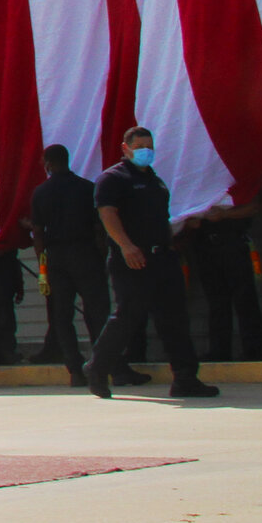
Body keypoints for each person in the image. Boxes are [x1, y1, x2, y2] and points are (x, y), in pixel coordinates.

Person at [89, 126, 219, 399]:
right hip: (133, 258)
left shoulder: (155, 181)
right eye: (139, 148)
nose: (146, 152)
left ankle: (185, 378)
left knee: (174, 319)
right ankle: (98, 369)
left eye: (149, 147)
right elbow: (108, 214)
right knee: (128, 316)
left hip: (164, 257)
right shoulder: (113, 178)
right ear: (126, 149)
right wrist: (126, 246)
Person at [22, 143, 137, 388]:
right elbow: (99, 227)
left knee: (62, 315)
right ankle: (108, 366)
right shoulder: (87, 187)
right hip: (86, 253)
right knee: (98, 311)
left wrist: (43, 262)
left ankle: (75, 370)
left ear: (48, 164)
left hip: (55, 257)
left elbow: (38, 231)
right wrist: (100, 255)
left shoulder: (41, 192)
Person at [180, 187, 262, 364]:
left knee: (245, 299)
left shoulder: (233, 178)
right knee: (217, 302)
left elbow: (254, 207)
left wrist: (224, 215)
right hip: (204, 245)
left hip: (234, 243)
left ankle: (253, 352)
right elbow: (182, 216)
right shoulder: (198, 182)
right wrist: (190, 221)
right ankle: (219, 351)